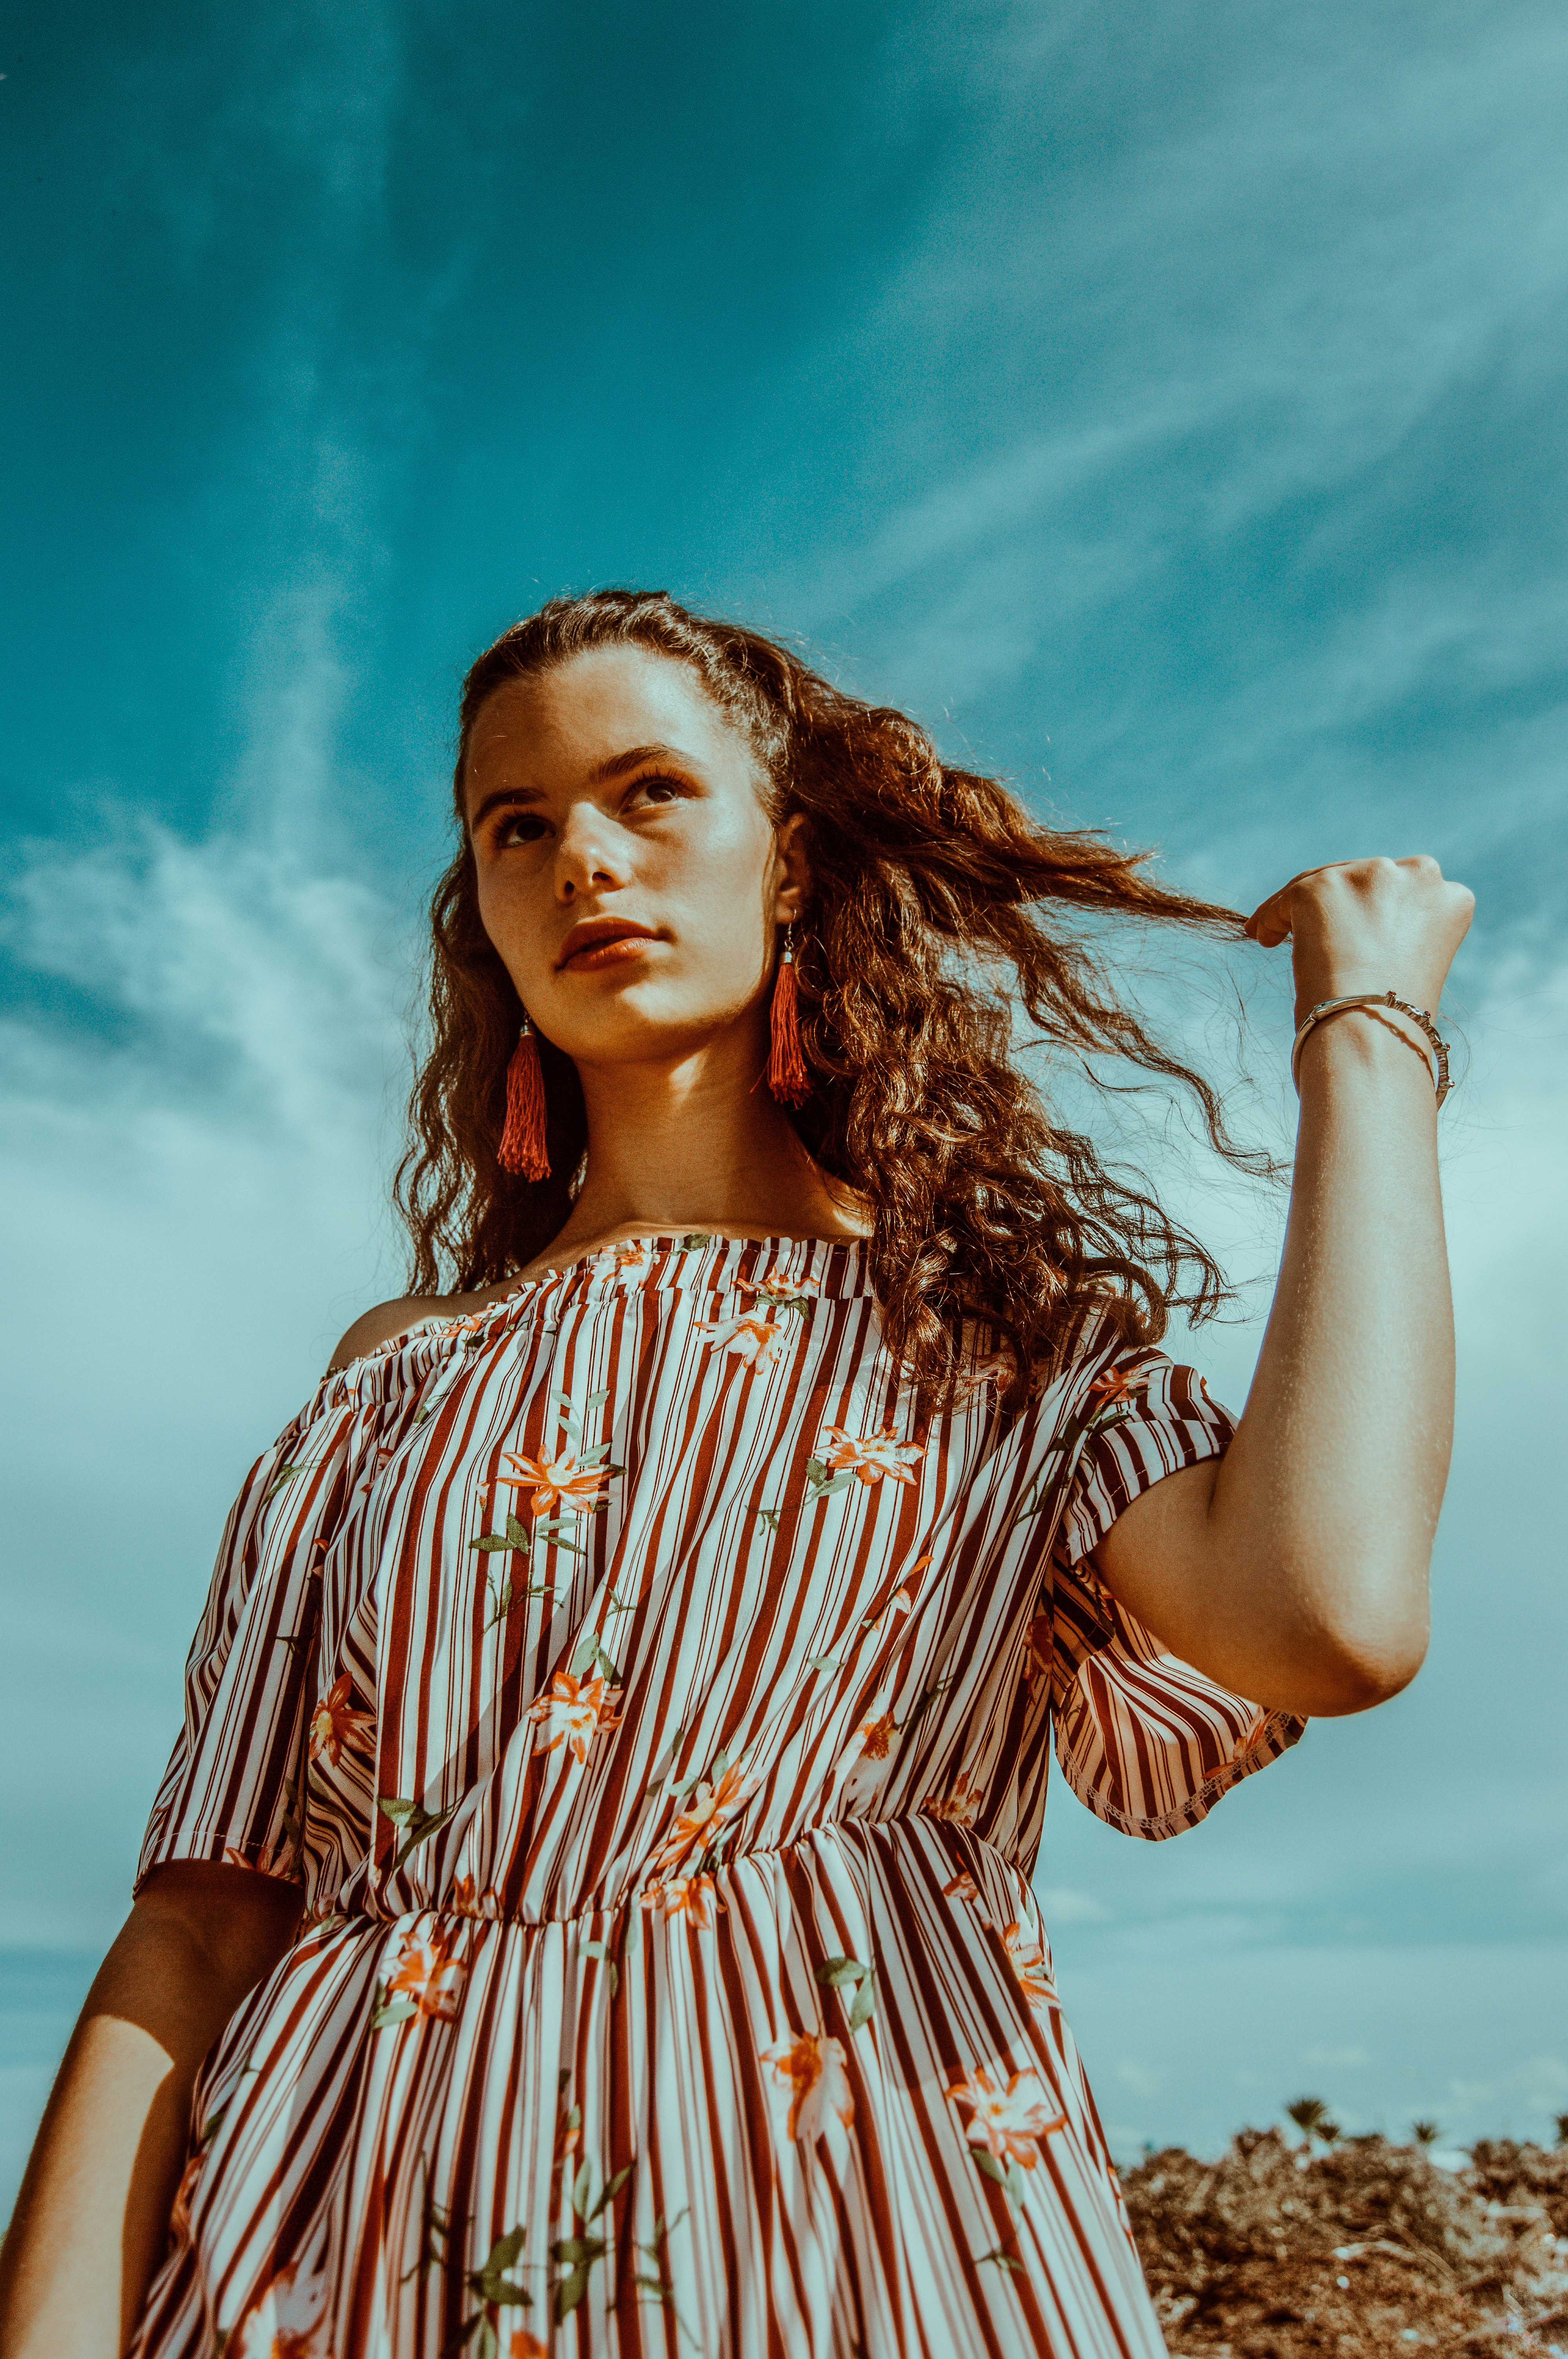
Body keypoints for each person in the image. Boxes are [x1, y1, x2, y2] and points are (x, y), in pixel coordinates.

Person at [0, 590, 1471, 2359]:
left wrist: (1367, 1038)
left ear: (788, 863)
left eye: (649, 794)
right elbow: (197, 1922)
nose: (582, 862)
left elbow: (1330, 1616)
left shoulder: (1006, 1350)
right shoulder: (397, 1372)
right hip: (343, 2244)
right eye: (516, 826)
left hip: (862, 2229)